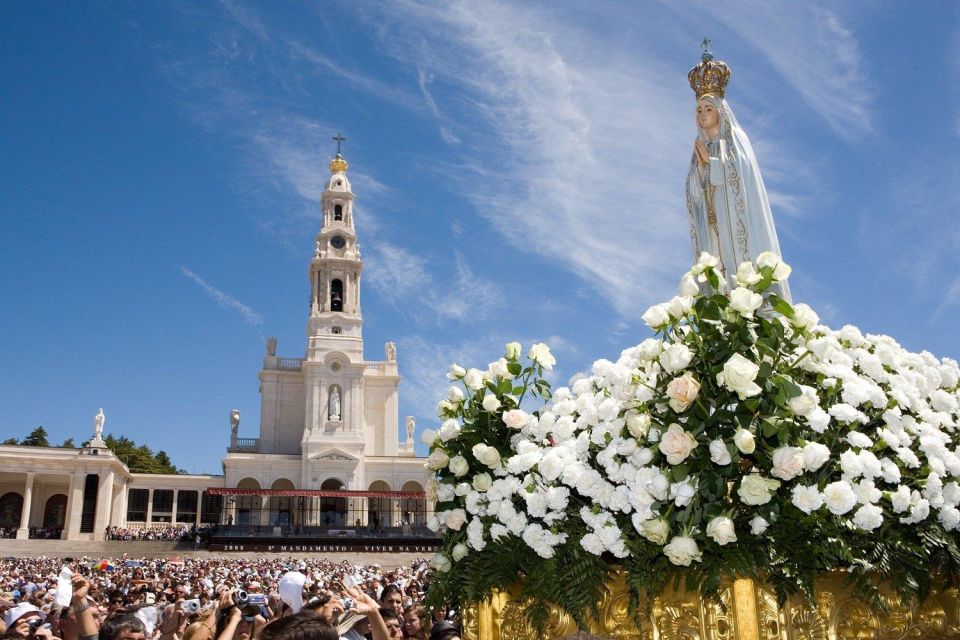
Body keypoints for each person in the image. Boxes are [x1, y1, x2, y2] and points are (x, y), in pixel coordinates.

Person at [685, 46, 791, 302]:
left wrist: (713, 166)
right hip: (713, 229)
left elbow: (742, 176)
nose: (702, 115)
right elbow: (694, 196)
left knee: (741, 278)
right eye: (699, 110)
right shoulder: (698, 148)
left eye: (708, 109)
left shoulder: (735, 140)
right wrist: (700, 173)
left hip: (736, 227)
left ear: (720, 111)